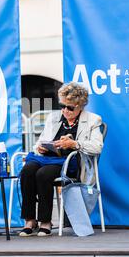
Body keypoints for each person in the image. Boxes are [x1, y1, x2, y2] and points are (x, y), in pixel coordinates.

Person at [19, 82, 103, 237]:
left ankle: (45, 221)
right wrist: (41, 147)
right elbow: (40, 141)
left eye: (70, 107)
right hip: (48, 158)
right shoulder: (54, 117)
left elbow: (97, 147)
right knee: (27, 170)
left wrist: (74, 144)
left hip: (70, 162)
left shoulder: (93, 120)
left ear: (81, 106)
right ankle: (30, 220)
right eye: (62, 106)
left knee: (44, 174)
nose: (65, 110)